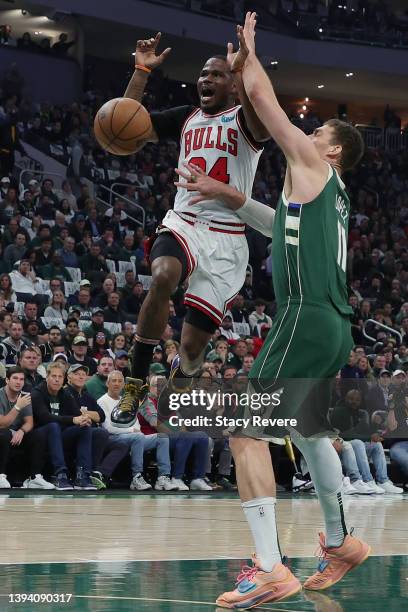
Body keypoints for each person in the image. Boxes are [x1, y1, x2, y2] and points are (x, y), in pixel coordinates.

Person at [175, 13, 370, 606]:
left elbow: (262, 99)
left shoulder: (313, 164)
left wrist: (249, 60)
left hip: (305, 317)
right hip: (335, 325)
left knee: (242, 428)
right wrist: (228, 194)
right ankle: (341, 542)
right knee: (312, 433)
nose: (307, 133)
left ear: (332, 150)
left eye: (319, 132)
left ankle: (269, 566)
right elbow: (272, 222)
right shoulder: (319, 197)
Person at [114, 28, 268, 422]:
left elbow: (261, 124)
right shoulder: (187, 117)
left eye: (217, 75)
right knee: (163, 275)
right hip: (184, 221)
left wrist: (247, 71)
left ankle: (178, 386)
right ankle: (134, 384)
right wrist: (141, 72)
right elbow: (124, 124)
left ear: (233, 86)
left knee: (193, 348)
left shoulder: (245, 120)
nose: (206, 79)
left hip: (228, 240)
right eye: (203, 73)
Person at [97, 370, 177, 491]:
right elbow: (108, 428)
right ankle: (136, 477)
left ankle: (163, 477)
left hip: (134, 437)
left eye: (120, 381)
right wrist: (131, 431)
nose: (117, 384)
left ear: (124, 385)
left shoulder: (127, 400)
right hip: (113, 438)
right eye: (113, 381)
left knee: (162, 437)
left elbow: (136, 423)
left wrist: (136, 431)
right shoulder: (102, 401)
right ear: (107, 384)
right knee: (138, 437)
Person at [31, 362, 96, 490]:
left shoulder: (65, 393)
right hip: (39, 434)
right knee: (53, 425)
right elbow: (45, 417)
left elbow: (77, 414)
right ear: (47, 377)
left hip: (59, 435)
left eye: (60, 377)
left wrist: (84, 419)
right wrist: (74, 420)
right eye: (53, 376)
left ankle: (82, 475)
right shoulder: (37, 392)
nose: (56, 380)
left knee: (85, 428)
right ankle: (60, 474)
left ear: (64, 379)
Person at [65, 363, 129, 489]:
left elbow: (101, 416)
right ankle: (86, 473)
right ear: (69, 377)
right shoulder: (66, 393)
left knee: (122, 445)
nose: (81, 377)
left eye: (83, 375)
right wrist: (88, 414)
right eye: (77, 374)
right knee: (97, 432)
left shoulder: (86, 394)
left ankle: (98, 473)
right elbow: (76, 414)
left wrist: (85, 413)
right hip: (72, 433)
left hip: (91, 434)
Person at [0, 367, 54, 490]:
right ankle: (0, 476)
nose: (18, 382)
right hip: (3, 432)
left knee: (38, 435)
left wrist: (21, 431)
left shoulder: (24, 396)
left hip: (16, 434)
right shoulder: (0, 395)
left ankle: (35, 477)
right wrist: (18, 407)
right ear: (7, 380)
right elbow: (2, 424)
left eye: (21, 379)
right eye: (15, 378)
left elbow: (29, 423)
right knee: (4, 434)